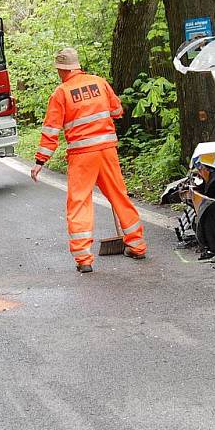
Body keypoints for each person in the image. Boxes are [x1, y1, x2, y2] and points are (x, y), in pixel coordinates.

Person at [31, 47, 147, 273]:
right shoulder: (100, 83)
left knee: (80, 202)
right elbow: (117, 111)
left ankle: (84, 258)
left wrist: (40, 161)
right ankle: (137, 245)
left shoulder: (61, 93)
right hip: (107, 151)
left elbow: (51, 131)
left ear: (61, 70)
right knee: (119, 196)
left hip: (82, 156)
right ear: (77, 66)